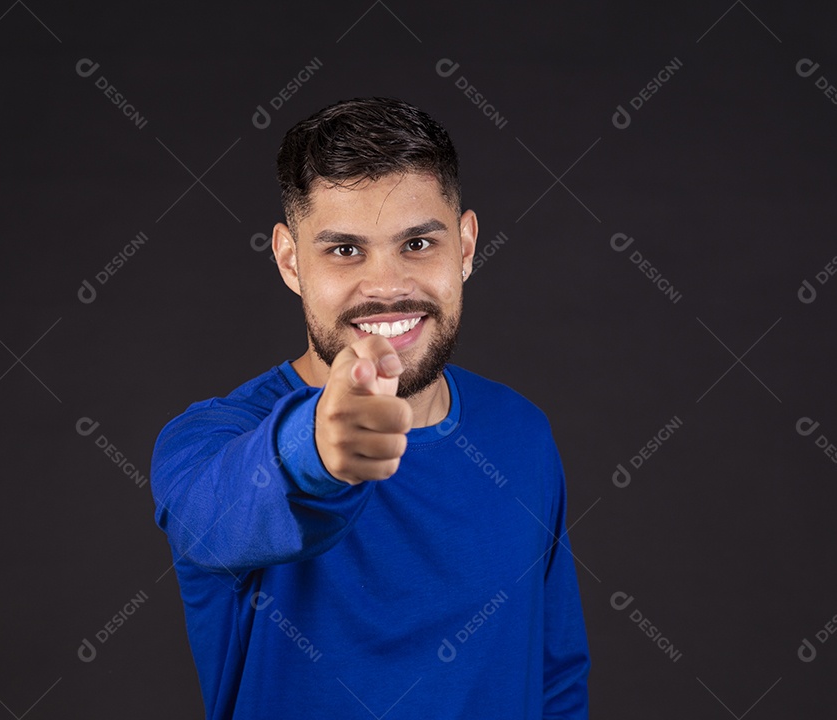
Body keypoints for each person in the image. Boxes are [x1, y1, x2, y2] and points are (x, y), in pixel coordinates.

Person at [150, 96, 590, 718]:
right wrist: (316, 451)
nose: (386, 287)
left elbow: (556, 677)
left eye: (416, 243)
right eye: (345, 250)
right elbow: (215, 515)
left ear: (465, 246)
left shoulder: (521, 432)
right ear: (289, 260)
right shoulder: (213, 440)